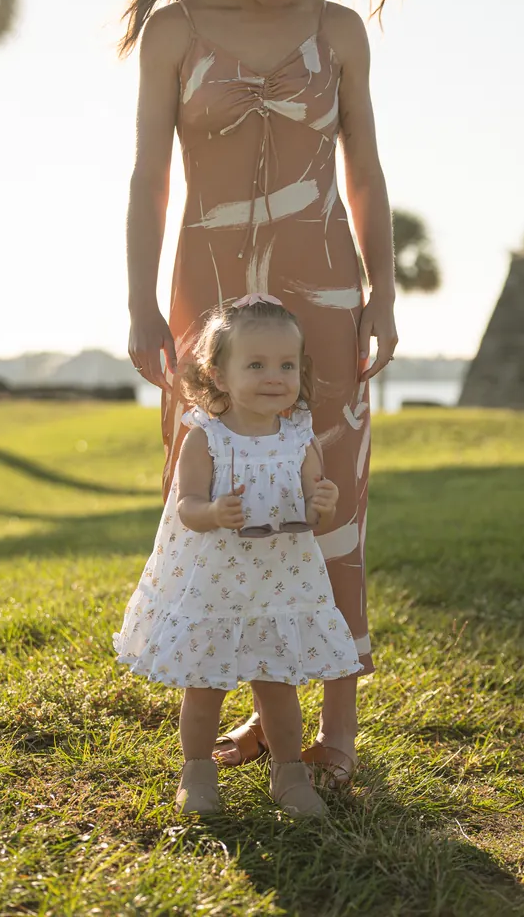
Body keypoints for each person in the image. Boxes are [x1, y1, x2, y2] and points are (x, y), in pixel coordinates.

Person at [120, 0, 402, 787]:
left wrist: (384, 292)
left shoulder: (340, 31)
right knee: (228, 502)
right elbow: (149, 180)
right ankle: (262, 705)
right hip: (208, 307)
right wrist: (138, 302)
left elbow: (364, 171)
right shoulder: (175, 31)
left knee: (332, 506)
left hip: (323, 290)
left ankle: (338, 735)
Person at [113, 297, 363, 816]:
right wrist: (213, 511)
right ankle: (197, 773)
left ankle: (289, 774)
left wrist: (324, 499)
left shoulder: (298, 439)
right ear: (218, 376)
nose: (275, 376)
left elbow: (313, 503)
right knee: (205, 686)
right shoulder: (207, 439)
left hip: (280, 582)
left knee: (278, 684)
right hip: (216, 581)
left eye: (286, 365)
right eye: (256, 364)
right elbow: (186, 507)